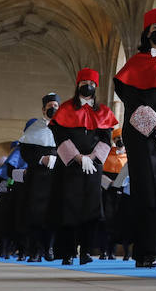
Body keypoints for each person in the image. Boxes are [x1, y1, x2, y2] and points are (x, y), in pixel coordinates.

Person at [113, 9, 156, 268]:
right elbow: (131, 101)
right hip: (142, 133)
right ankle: (146, 252)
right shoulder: (136, 62)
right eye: (154, 27)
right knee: (146, 191)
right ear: (146, 33)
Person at [49, 69, 119, 265]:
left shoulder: (104, 112)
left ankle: (86, 251)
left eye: (91, 82)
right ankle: (68, 252)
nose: (87, 85)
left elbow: (106, 139)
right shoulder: (64, 109)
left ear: (96, 86)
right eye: (84, 81)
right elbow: (60, 136)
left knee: (91, 210)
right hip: (70, 166)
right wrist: (78, 157)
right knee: (69, 209)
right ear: (78, 84)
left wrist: (93, 157)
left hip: (93, 167)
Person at [17, 96, 60, 261]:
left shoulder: (64, 127)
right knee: (35, 215)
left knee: (53, 214)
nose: (53, 108)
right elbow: (25, 151)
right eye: (50, 106)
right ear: (43, 109)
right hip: (37, 178)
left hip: (56, 178)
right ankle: (34, 251)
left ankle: (49, 248)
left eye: (56, 105)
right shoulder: (34, 128)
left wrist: (57, 159)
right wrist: (42, 159)